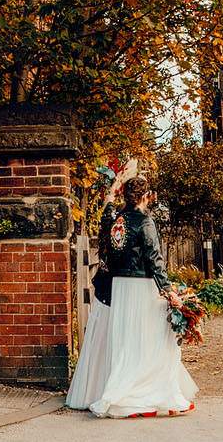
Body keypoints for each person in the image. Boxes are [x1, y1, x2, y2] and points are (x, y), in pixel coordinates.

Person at [65, 172, 197, 419]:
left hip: (120, 287)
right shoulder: (145, 222)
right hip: (140, 286)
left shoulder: (118, 220)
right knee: (150, 338)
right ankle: (140, 394)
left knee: (127, 341)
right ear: (146, 196)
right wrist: (168, 290)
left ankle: (127, 389)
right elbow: (154, 258)